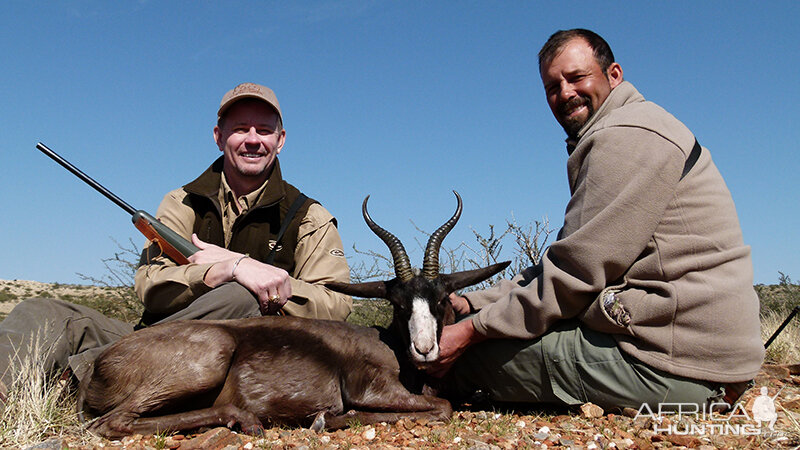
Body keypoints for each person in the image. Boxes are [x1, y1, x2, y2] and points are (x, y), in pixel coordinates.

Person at [431, 29, 764, 411]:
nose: (565, 93)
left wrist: (472, 330)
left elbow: (573, 278)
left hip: (680, 368)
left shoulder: (624, 137)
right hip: (701, 353)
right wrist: (474, 302)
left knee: (461, 360)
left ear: (614, 75)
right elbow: (567, 264)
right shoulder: (631, 125)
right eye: (552, 87)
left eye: (576, 78)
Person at [0, 82, 352, 395]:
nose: (253, 140)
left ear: (281, 140)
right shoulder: (180, 201)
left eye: (263, 130)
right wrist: (219, 271)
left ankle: (86, 380)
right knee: (41, 310)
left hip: (244, 360)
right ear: (218, 136)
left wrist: (257, 276)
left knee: (241, 298)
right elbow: (150, 285)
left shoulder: (310, 216)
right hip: (152, 337)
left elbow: (337, 304)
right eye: (240, 128)